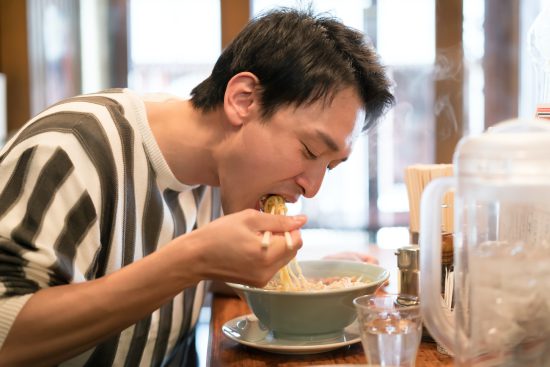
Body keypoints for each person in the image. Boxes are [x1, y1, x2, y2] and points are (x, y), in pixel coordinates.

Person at [0, 7, 394, 366]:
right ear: (243, 100)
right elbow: (6, 333)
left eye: (332, 166)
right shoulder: (72, 149)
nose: (312, 188)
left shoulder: (223, 178)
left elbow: (185, 268)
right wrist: (192, 259)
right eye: (309, 150)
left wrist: (315, 275)